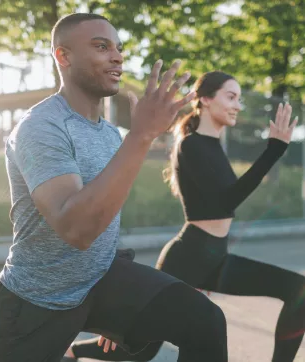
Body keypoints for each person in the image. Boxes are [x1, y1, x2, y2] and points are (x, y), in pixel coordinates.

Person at [0, 13, 229, 362]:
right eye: (101, 47)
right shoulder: (41, 128)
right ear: (63, 56)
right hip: (39, 298)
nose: (117, 56)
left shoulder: (108, 133)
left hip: (100, 279)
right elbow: (77, 229)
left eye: (118, 48)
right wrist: (142, 136)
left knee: (204, 319)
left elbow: (105, 213)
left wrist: (119, 308)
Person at [66, 71, 305, 362]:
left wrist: (273, 151)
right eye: (230, 97)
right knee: (142, 349)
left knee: (298, 291)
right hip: (188, 259)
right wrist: (273, 151)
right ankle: (73, 351)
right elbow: (226, 201)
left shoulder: (214, 146)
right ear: (205, 99)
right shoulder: (190, 145)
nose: (238, 106)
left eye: (239, 99)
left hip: (216, 258)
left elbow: (227, 199)